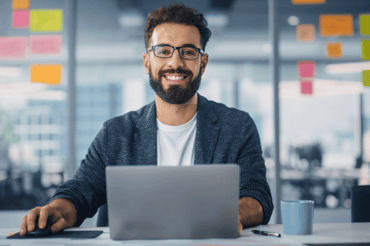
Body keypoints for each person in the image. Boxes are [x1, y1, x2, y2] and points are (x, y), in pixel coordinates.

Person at [19, 2, 273, 237]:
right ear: (147, 61)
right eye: (163, 51)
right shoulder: (115, 133)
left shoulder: (237, 126)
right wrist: (58, 210)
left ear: (202, 63)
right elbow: (80, 190)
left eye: (188, 51)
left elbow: (258, 196)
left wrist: (230, 215)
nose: (175, 62)